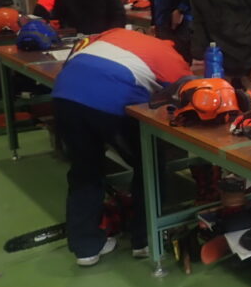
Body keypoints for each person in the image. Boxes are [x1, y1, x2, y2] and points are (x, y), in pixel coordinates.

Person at [52, 28, 191, 265]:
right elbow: (186, 95)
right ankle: (145, 239)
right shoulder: (171, 56)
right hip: (109, 101)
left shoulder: (114, 33)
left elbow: (78, 51)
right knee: (148, 163)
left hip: (65, 94)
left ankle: (86, 249)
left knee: (85, 170)